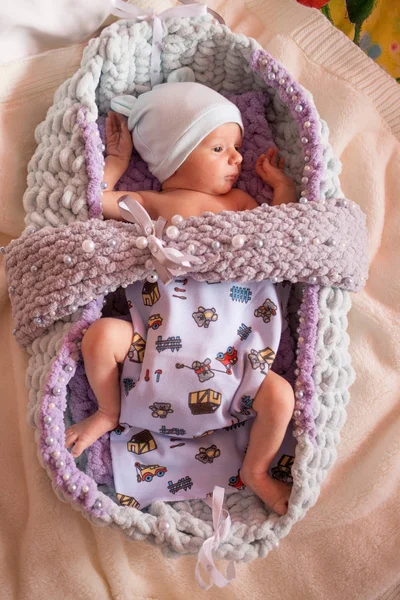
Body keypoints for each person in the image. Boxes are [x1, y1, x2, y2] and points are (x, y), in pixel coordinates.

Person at [65, 76, 296, 515]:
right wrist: (116, 161)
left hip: (233, 370)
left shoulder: (241, 204)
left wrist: (282, 187)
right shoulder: (150, 202)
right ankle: (108, 411)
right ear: (174, 156)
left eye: (236, 148)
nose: (237, 157)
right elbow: (94, 201)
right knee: (100, 336)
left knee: (280, 396)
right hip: (150, 361)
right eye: (219, 148)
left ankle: (257, 471)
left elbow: (281, 234)